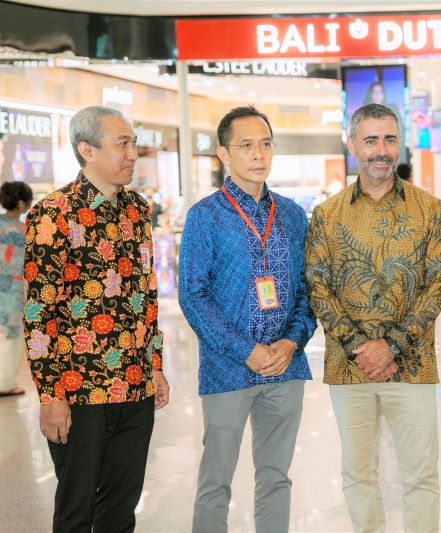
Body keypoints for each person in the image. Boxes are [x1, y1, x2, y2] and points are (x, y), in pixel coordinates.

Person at [305, 103, 441, 533]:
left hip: (413, 365)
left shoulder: (429, 209)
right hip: (348, 369)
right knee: (358, 476)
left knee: (421, 476)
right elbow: (317, 288)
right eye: (371, 140)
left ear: (400, 143)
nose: (381, 150)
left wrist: (391, 346)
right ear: (352, 145)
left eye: (389, 139)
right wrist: (360, 348)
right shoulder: (327, 214)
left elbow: (438, 286)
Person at [23, 105, 169, 532]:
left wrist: (155, 364)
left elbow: (146, 296)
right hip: (79, 391)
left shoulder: (138, 210)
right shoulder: (54, 213)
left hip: (136, 386)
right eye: (122, 144)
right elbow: (38, 314)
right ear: (87, 150)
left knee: (121, 510)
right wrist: (51, 395)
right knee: (77, 510)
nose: (132, 154)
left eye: (133, 143)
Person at [179, 105, 316, 533]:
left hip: (286, 367)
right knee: (216, 480)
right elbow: (193, 296)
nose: (259, 154)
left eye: (266, 144)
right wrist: (247, 350)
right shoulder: (205, 216)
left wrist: (290, 342)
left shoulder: (292, 215)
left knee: (276, 477)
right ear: (224, 153)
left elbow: (308, 290)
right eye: (246, 145)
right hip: (228, 370)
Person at [0, 181, 32, 397]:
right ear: (21, 203)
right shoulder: (24, 231)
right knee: (12, 335)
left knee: (1, 332)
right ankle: (5, 383)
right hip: (13, 289)